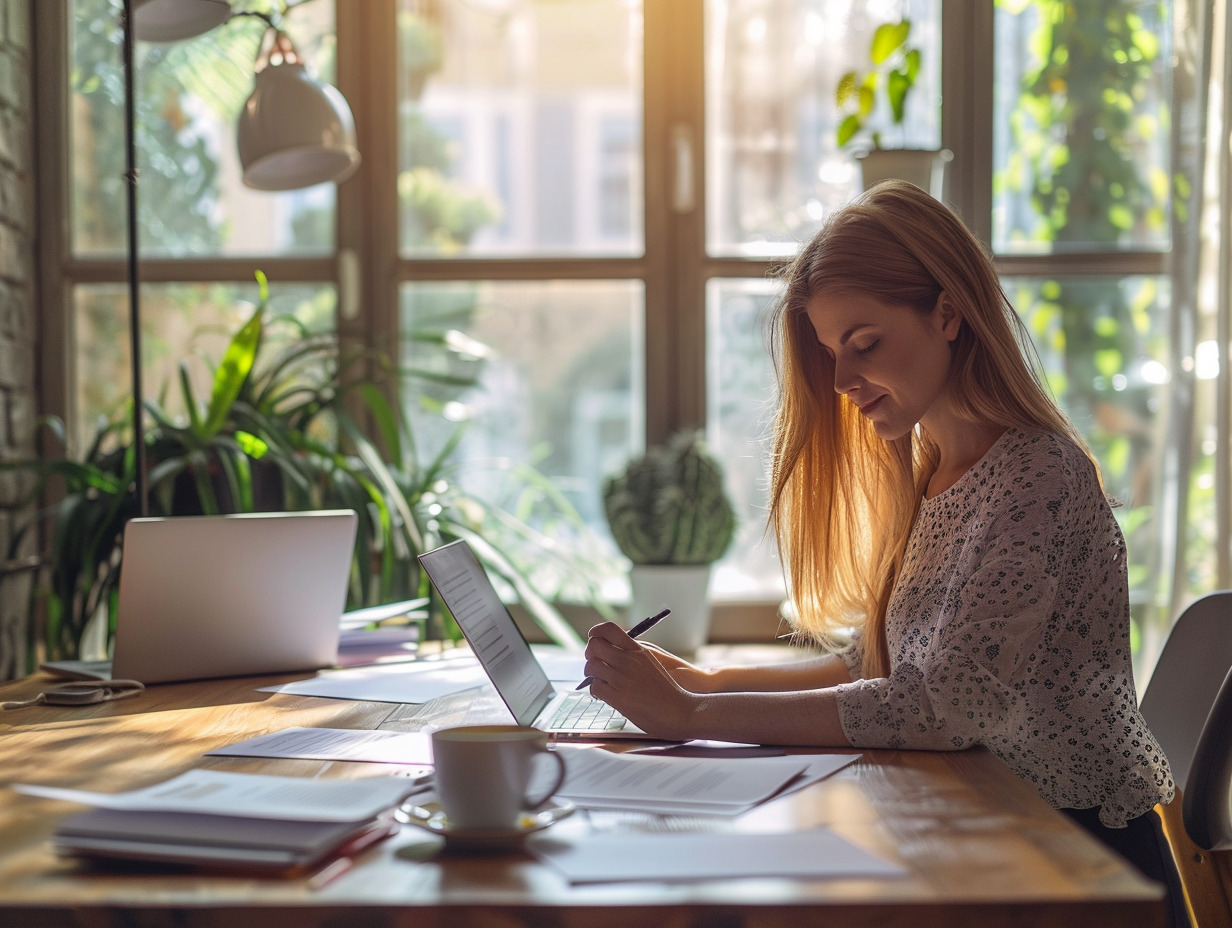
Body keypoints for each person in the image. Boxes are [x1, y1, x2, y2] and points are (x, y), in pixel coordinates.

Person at [583, 180, 1187, 927]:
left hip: (1081, 862)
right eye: (834, 352)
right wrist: (707, 680)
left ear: (948, 312)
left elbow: (942, 706)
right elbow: (881, 660)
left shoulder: (1040, 475)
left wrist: (694, 712)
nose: (841, 381)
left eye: (863, 344)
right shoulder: (933, 472)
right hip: (988, 830)